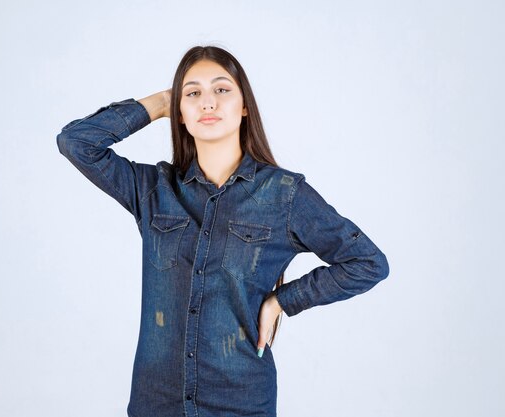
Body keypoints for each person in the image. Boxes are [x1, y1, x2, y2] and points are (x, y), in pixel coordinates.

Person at [56, 45, 389, 417]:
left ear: (244, 105)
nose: (207, 102)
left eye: (222, 90)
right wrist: (163, 101)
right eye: (193, 93)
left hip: (240, 402)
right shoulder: (154, 190)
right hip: (156, 403)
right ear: (180, 114)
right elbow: (76, 143)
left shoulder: (283, 195)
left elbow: (367, 262)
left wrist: (282, 301)